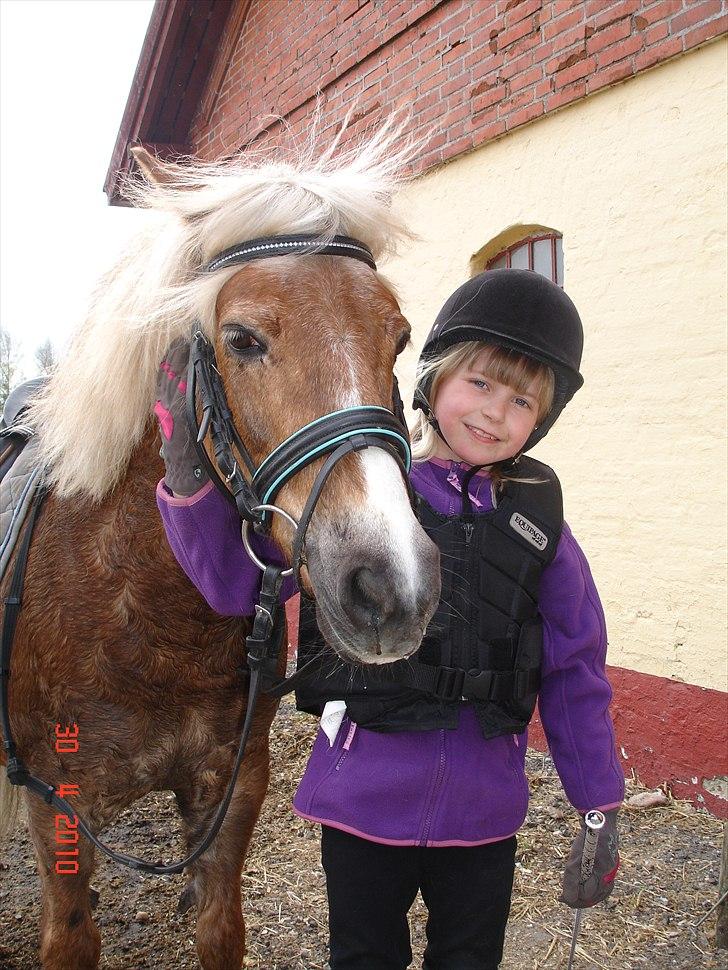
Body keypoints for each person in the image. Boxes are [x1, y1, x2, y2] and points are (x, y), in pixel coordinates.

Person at [154, 269, 624, 970]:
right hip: (361, 810)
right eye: (480, 383)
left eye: (522, 400)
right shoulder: (360, 497)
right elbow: (233, 585)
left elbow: (575, 672)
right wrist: (186, 480)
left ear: (541, 420)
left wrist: (598, 805)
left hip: (483, 820)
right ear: (432, 378)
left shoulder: (539, 530)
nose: (495, 412)